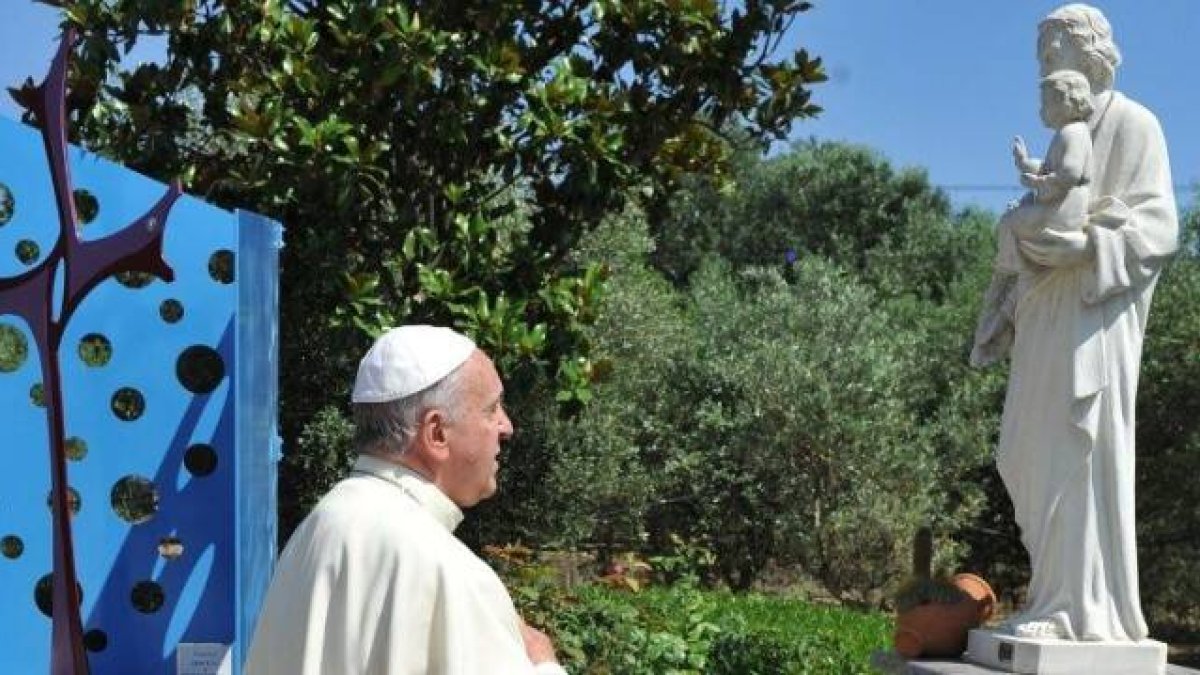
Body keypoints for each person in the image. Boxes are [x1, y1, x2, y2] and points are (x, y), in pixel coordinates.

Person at [978, 4, 1178, 642]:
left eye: (1056, 51)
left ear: (1090, 54)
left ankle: (1078, 609)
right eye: (1042, 57)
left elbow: (1159, 226)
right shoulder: (1065, 130)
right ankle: (1048, 598)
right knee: (1029, 448)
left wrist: (1090, 248)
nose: (1046, 65)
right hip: (1049, 315)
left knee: (1076, 446)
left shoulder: (1135, 123)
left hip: (1094, 315)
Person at [244, 325, 567, 674]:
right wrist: (545, 662)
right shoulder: (447, 568)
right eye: (491, 409)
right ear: (436, 434)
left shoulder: (320, 526)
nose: (507, 426)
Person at [972, 69, 1095, 364]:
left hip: (1063, 213)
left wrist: (1037, 184)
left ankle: (1010, 268)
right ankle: (1010, 277)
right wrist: (1026, 163)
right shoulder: (1066, 134)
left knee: (1010, 222)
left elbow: (1068, 174)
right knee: (1013, 216)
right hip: (1058, 207)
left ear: (1067, 101)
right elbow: (1051, 166)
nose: (1042, 110)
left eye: (1047, 102)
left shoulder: (1073, 132)